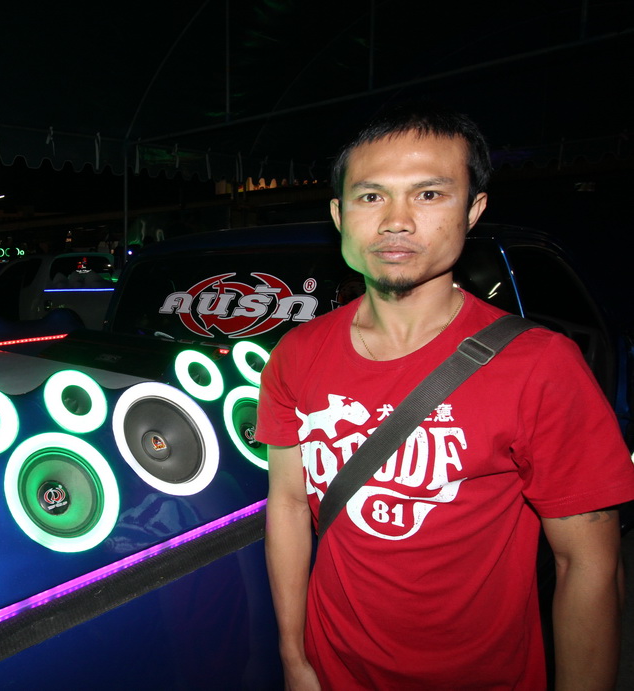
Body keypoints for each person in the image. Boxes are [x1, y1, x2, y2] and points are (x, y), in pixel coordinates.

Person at [256, 104, 634, 690]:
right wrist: (294, 655)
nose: (396, 221)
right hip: (334, 669)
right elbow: (286, 505)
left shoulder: (541, 366)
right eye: (371, 196)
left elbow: (588, 564)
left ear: (473, 209)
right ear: (338, 214)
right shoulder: (295, 354)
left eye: (429, 194)